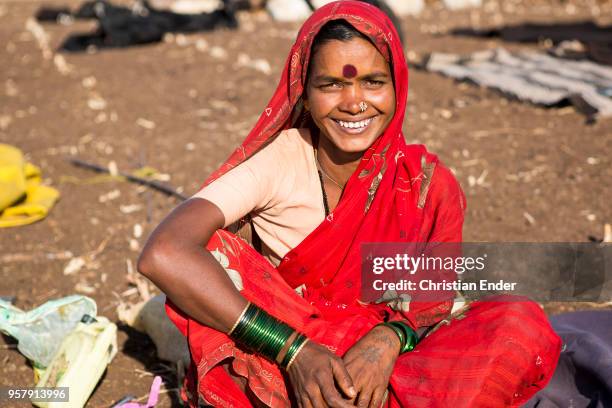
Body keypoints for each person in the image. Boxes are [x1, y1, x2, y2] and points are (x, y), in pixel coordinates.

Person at [137, 1, 562, 407]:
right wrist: (294, 351)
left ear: (398, 86)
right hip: (290, 345)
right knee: (212, 255)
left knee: (515, 319)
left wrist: (388, 341)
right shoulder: (281, 160)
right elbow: (165, 253)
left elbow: (427, 303)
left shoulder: (424, 184)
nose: (354, 103)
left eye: (373, 82)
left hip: (381, 353)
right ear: (303, 94)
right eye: (331, 85)